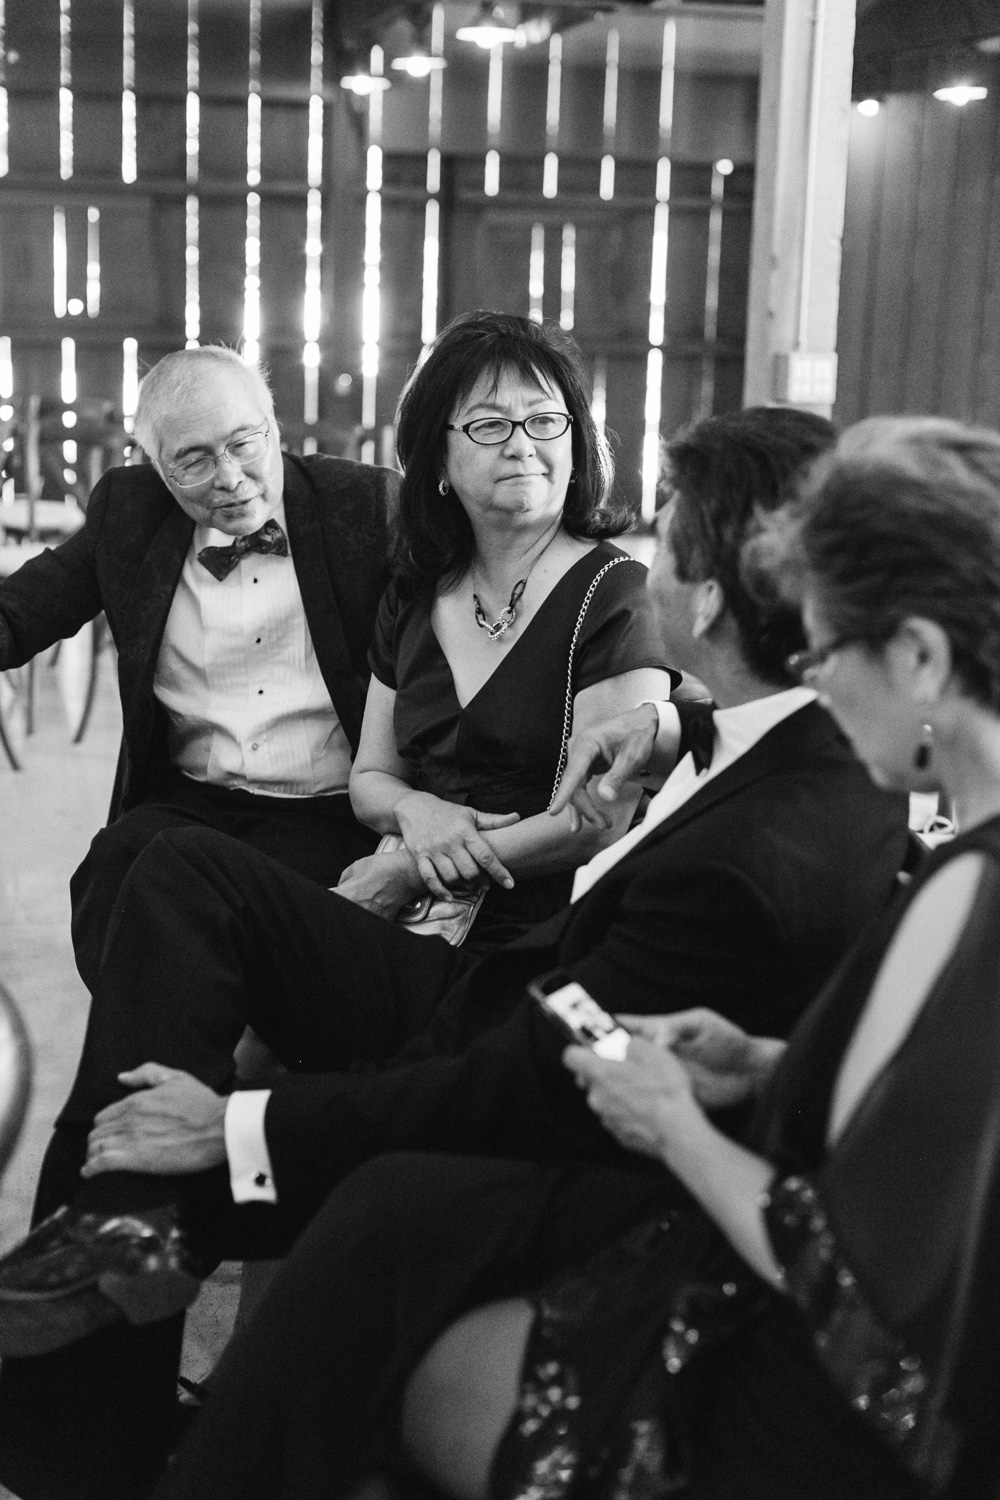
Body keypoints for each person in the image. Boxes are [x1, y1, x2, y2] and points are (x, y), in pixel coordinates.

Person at [0, 407, 911, 1500]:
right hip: (480, 963)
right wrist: (672, 723)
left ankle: (128, 1301)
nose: (520, 448)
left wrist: (238, 1125)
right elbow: (397, 774)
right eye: (485, 425)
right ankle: (115, 1236)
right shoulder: (783, 732)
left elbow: (541, 1061)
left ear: (710, 597)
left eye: (666, 538)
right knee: (166, 863)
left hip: (531, 1015)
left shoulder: (744, 827)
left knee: (335, 1191)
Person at [0, 346, 396, 989]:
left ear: (272, 426)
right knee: (117, 876)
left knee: (253, 961)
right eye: (194, 460)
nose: (230, 477)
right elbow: (21, 612)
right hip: (189, 800)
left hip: (327, 811)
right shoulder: (128, 514)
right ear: (157, 466)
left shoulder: (364, 504)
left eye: (244, 443)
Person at [338, 310, 677, 951]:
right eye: (490, 425)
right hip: (412, 912)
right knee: (187, 865)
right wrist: (417, 810)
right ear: (437, 456)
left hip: (541, 924)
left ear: (576, 445)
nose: (521, 445)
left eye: (544, 421)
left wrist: (415, 869)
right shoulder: (413, 591)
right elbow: (371, 777)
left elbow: (597, 820)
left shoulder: (618, 593)